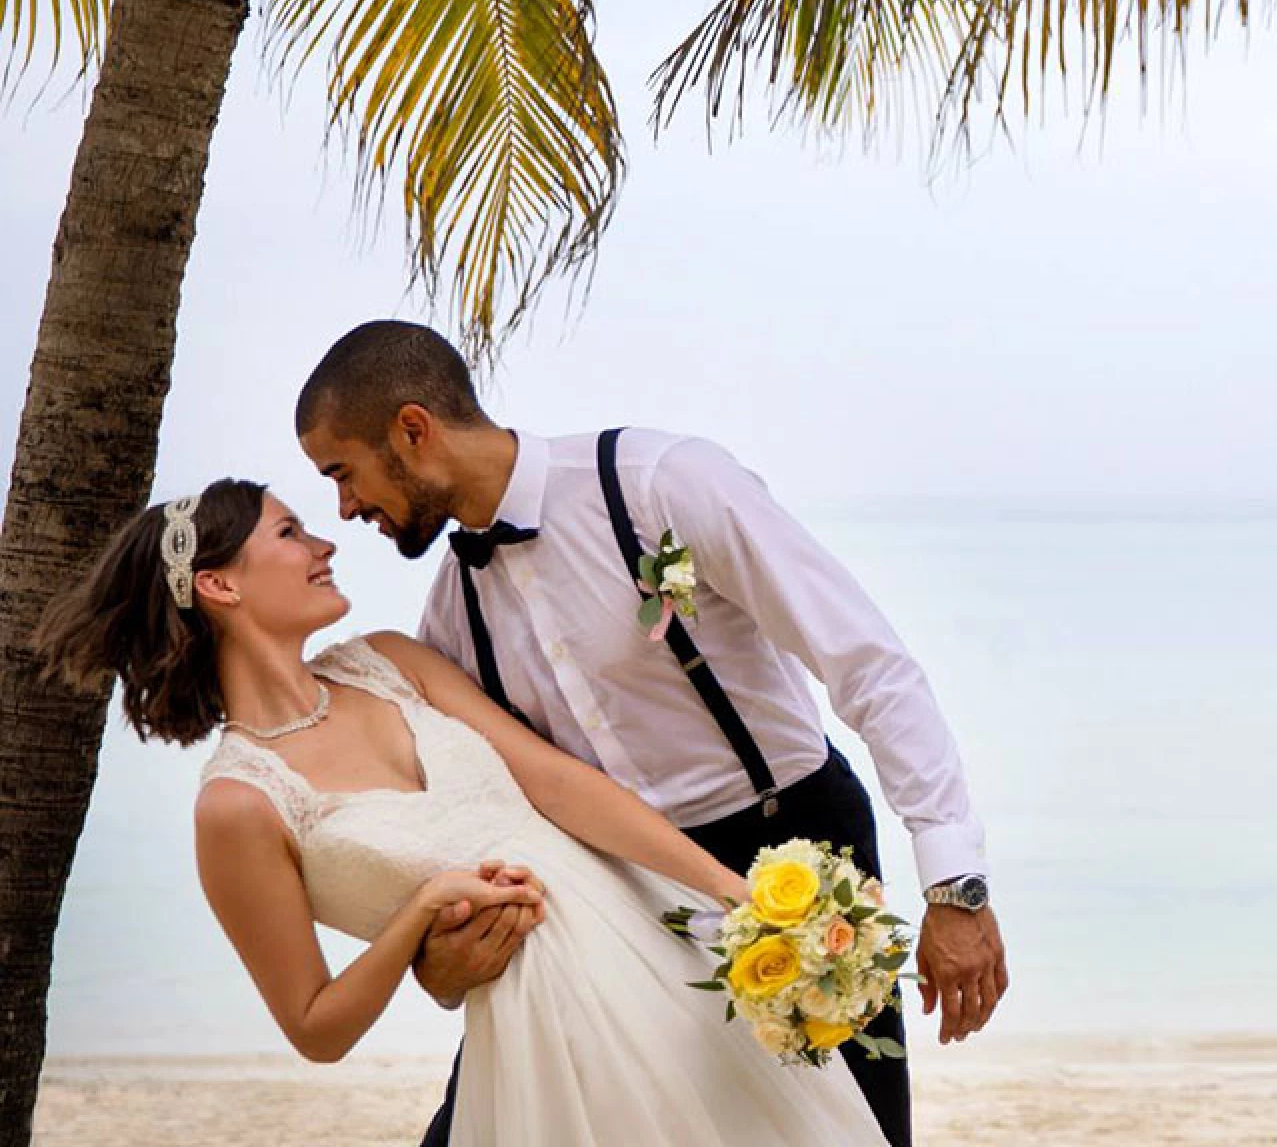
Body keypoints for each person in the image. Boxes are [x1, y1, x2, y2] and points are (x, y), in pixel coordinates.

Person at [294, 320, 1007, 1147]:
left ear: (411, 431)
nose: (345, 509)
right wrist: (439, 965)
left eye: (343, 473)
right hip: (614, 895)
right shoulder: (454, 610)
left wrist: (954, 886)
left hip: (795, 859)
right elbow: (476, 811)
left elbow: (867, 664)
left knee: (847, 1134)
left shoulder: (661, 483)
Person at [36, 481, 889, 1146]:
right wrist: (415, 921)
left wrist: (729, 894)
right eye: (290, 533)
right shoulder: (237, 803)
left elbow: (562, 786)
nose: (326, 542)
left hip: (659, 952)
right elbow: (314, 1027)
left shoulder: (391, 662)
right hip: (545, 1035)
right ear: (220, 583)